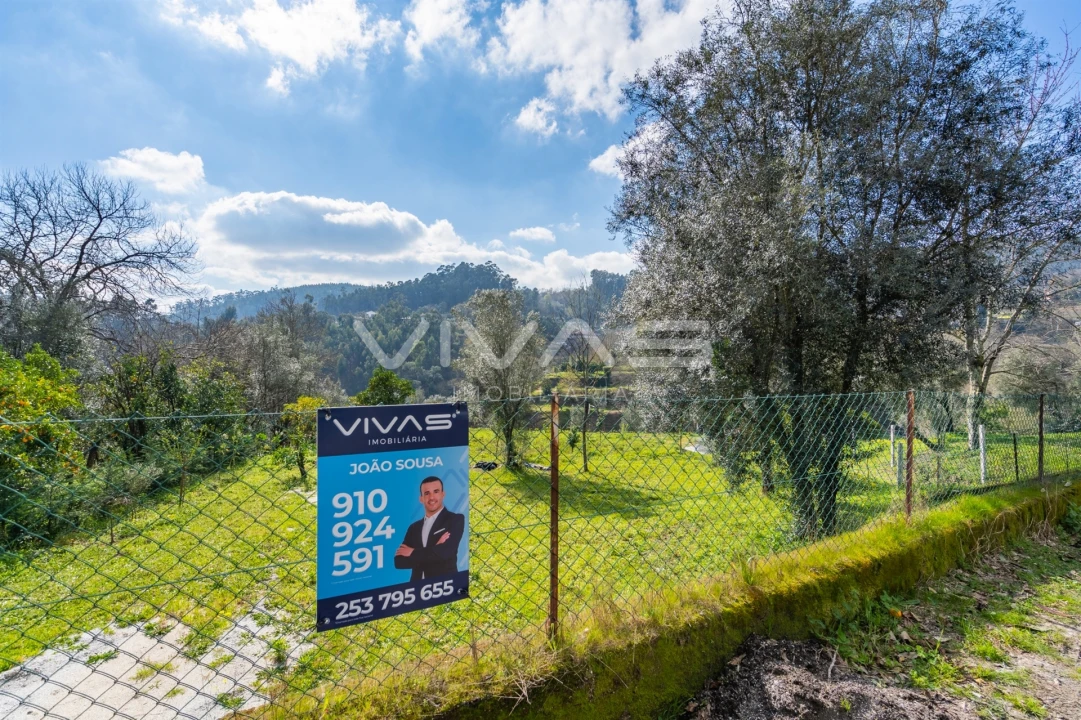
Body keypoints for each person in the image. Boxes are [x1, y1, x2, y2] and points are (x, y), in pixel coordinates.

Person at [394, 476, 465, 581]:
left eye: (436, 492)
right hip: (416, 588)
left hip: (445, 585)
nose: (431, 497)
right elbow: (399, 562)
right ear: (421, 499)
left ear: (443, 494)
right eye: (427, 493)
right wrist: (434, 549)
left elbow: (445, 552)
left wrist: (412, 552)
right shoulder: (414, 528)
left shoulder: (455, 519)